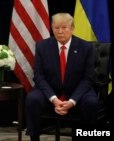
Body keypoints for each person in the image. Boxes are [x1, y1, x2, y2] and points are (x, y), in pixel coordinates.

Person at [25, 13, 98, 141]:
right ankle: (34, 137)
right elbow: (39, 76)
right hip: (50, 91)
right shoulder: (42, 46)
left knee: (91, 102)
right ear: (52, 29)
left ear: (72, 28)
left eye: (64, 27)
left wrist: (72, 101)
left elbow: (87, 78)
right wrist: (54, 99)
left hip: (77, 91)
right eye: (56, 28)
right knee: (32, 99)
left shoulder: (86, 48)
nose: (60, 31)